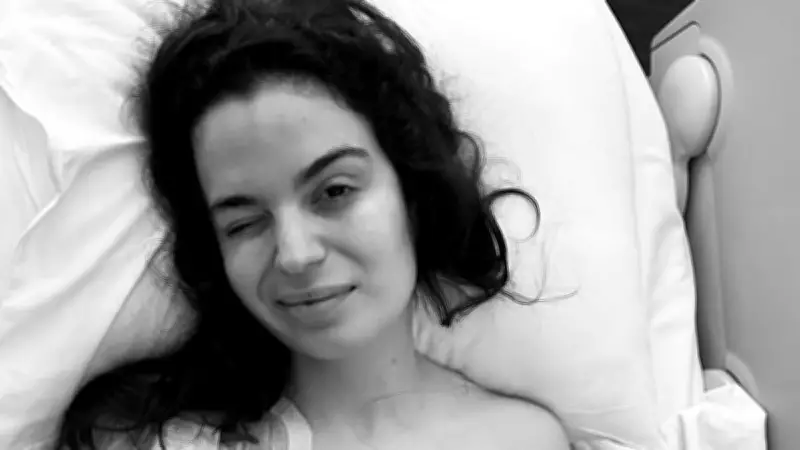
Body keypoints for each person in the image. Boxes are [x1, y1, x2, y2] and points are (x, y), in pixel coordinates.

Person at [58, 0, 570, 448]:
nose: (296, 254)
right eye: (244, 223)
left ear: (412, 192)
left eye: (335, 192)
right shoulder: (140, 438)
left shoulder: (525, 440)